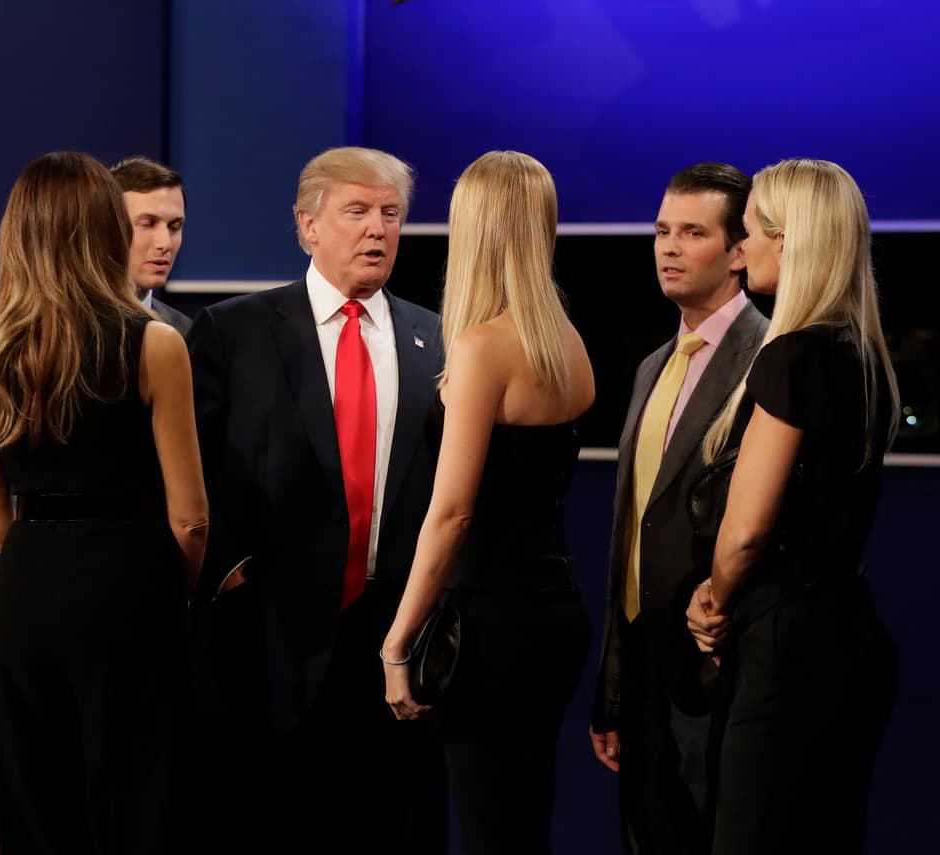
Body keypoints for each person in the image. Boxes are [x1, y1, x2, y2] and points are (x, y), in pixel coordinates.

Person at [186, 146, 447, 855]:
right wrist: (232, 571)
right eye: (357, 212)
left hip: (395, 640)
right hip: (266, 639)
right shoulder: (232, 331)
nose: (377, 230)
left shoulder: (438, 338)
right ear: (308, 226)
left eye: (390, 214)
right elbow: (196, 469)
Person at [0, 150, 207, 854]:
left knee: (33, 808)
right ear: (103, 229)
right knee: (139, 808)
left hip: (28, 587)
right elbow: (191, 519)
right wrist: (157, 593)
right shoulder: (156, 343)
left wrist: (45, 564)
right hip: (134, 586)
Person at [379, 151, 594, 855]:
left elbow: (452, 514)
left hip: (490, 623)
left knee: (492, 823)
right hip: (553, 612)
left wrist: (397, 637)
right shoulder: (567, 342)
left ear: (474, 229)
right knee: (520, 818)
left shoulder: (482, 348)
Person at [686, 159, 899, 855]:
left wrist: (712, 600)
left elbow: (745, 531)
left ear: (790, 241)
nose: (738, 251)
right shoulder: (864, 355)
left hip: (786, 643)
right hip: (851, 637)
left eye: (749, 234)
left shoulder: (793, 358)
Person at [589, 163, 768, 854]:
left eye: (693, 232)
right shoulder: (653, 365)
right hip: (642, 671)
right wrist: (611, 688)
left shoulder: (768, 355)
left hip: (719, 665)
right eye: (662, 230)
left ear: (737, 251)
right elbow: (630, 531)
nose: (668, 246)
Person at [112, 155, 192, 333]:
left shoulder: (187, 334)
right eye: (148, 224)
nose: (165, 244)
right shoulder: (65, 327)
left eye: (174, 226)